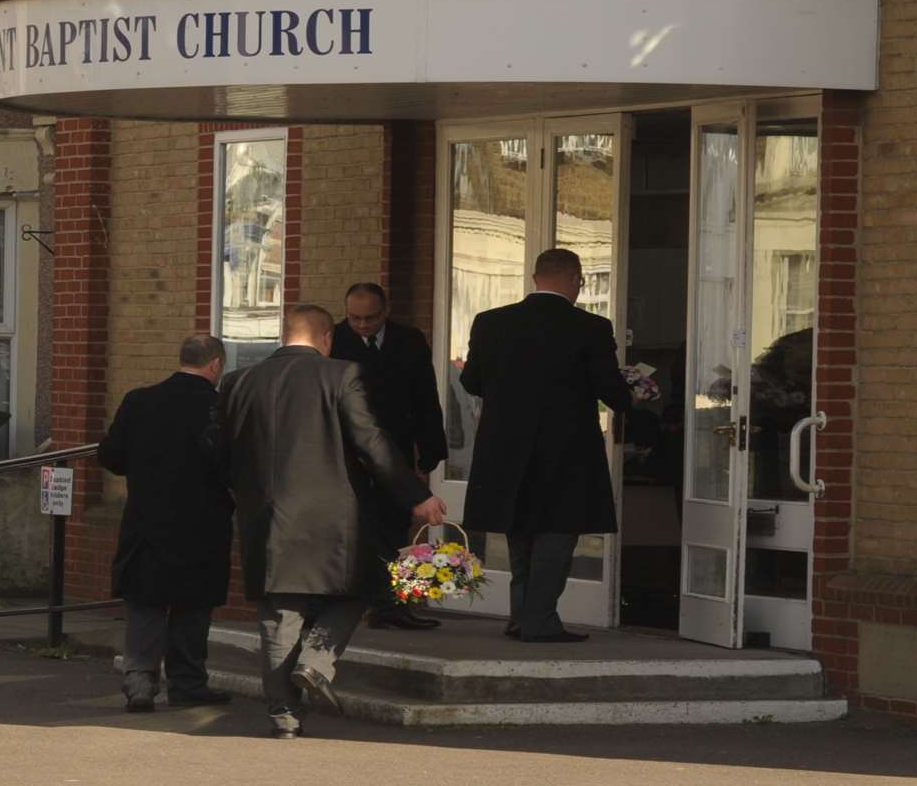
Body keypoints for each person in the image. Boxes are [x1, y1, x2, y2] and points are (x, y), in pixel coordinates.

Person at [217, 305, 446, 739]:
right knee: (363, 585)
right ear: (326, 338)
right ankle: (316, 662)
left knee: (279, 615)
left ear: (285, 336)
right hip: (333, 516)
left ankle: (283, 716)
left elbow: (223, 453)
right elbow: (372, 441)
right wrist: (416, 495)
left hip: (265, 517)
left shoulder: (237, 381)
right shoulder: (340, 375)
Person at [460, 248, 632, 643]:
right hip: (566, 450)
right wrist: (632, 395)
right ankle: (540, 620)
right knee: (558, 534)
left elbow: (471, 381)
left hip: (506, 448)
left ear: (536, 278)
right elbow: (610, 389)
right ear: (575, 280)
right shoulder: (590, 327)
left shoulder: (491, 323)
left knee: (519, 532)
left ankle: (521, 616)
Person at [96, 334, 236, 713]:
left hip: (147, 520)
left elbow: (110, 456)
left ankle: (140, 680)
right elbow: (232, 466)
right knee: (194, 606)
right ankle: (188, 682)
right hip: (202, 523)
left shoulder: (139, 401)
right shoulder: (220, 407)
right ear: (216, 364)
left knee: (145, 603)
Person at [331, 282, 448, 631]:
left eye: (370, 318)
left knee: (398, 529)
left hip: (394, 450)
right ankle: (341, 607)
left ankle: (394, 606)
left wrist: (430, 450)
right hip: (346, 454)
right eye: (355, 318)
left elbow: (425, 397)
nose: (363, 325)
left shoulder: (408, 340)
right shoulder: (334, 341)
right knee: (352, 531)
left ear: (386, 311)